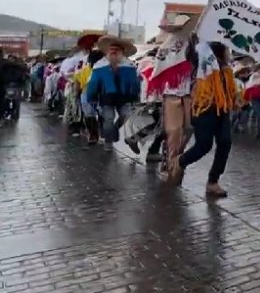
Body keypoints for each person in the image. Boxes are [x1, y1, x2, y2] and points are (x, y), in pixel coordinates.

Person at [168, 41, 238, 197]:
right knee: (204, 145)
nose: (228, 52)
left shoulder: (226, 69)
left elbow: (230, 90)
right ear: (219, 50)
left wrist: (235, 100)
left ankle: (213, 182)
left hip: (223, 110)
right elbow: (190, 55)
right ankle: (180, 161)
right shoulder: (201, 61)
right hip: (203, 109)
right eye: (226, 49)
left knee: (225, 142)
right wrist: (192, 42)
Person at [147, 14, 197, 176]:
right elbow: (158, 71)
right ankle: (171, 162)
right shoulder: (166, 48)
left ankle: (175, 156)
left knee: (189, 129)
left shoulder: (193, 46)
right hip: (172, 94)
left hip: (188, 94)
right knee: (174, 130)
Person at [86, 36, 140, 151]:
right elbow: (93, 83)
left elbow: (134, 82)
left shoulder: (129, 66)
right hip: (106, 97)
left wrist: (135, 96)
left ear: (122, 52)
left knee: (127, 116)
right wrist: (92, 96)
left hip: (124, 97)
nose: (114, 52)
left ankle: (118, 130)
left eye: (117, 50)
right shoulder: (100, 65)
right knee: (108, 119)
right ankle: (108, 141)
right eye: (112, 50)